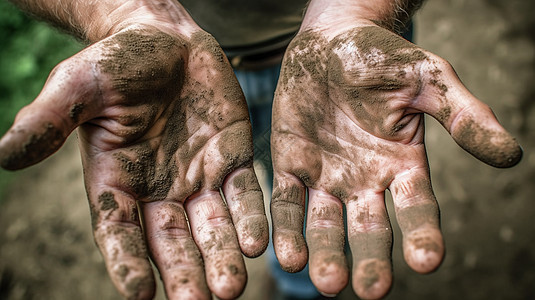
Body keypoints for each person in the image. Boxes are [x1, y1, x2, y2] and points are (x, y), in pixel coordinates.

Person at [0, 0, 522, 299]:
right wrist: (123, 13)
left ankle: (305, 291)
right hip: (167, 84)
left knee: (322, 212)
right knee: (279, 209)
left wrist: (358, 9)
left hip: (346, 57)